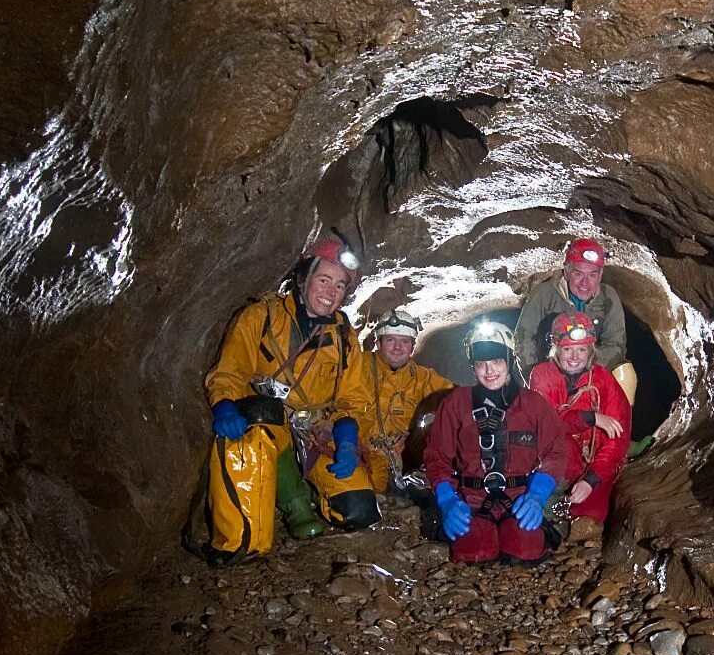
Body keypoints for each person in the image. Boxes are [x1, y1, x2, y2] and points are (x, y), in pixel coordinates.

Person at [199, 234, 379, 565]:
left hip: (316, 430)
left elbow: (354, 398)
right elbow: (229, 372)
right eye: (324, 280)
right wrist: (224, 404)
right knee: (261, 413)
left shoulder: (343, 335)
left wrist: (348, 438)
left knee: (359, 511)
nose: (331, 292)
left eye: (340, 286)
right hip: (269, 426)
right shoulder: (260, 317)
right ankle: (265, 521)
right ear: (302, 279)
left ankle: (311, 491)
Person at [423, 320, 572, 564]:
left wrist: (538, 494)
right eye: (481, 363)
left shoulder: (533, 404)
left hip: (519, 498)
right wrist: (447, 500)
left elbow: (556, 451)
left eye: (496, 361)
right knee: (474, 551)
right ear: (473, 367)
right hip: (471, 498)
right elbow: (437, 455)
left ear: (510, 361)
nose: (489, 370)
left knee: (525, 549)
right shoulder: (456, 403)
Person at [526, 310, 630, 532]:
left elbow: (617, 440)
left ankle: (565, 515)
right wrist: (590, 418)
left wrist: (591, 480)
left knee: (591, 518)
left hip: (594, 464)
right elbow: (548, 425)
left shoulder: (603, 380)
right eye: (567, 349)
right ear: (556, 349)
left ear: (590, 351)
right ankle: (545, 506)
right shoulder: (542, 375)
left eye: (581, 349)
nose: (574, 357)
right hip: (553, 463)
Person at [514, 237, 637, 403]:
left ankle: (616, 425)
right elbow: (524, 338)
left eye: (592, 275)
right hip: (550, 368)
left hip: (590, 368)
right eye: (578, 274)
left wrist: (586, 373)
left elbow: (615, 344)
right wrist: (538, 376)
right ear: (566, 272)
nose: (585, 283)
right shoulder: (544, 294)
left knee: (625, 373)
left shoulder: (608, 297)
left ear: (600, 275)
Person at [360, 308, 454, 493]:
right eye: (391, 340)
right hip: (362, 454)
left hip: (402, 458)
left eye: (405, 341)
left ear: (412, 347)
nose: (397, 347)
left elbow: (458, 399)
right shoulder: (357, 367)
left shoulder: (423, 378)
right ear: (378, 343)